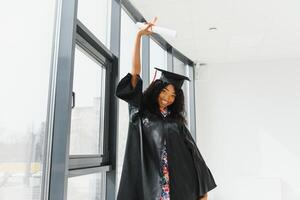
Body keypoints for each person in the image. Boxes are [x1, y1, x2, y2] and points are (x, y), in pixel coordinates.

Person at [116, 17, 217, 200]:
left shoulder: (176, 122)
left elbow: (194, 155)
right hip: (149, 185)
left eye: (173, 96)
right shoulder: (140, 112)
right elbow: (135, 72)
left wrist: (203, 191)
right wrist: (139, 36)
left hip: (178, 184)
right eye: (165, 92)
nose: (167, 98)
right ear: (156, 89)